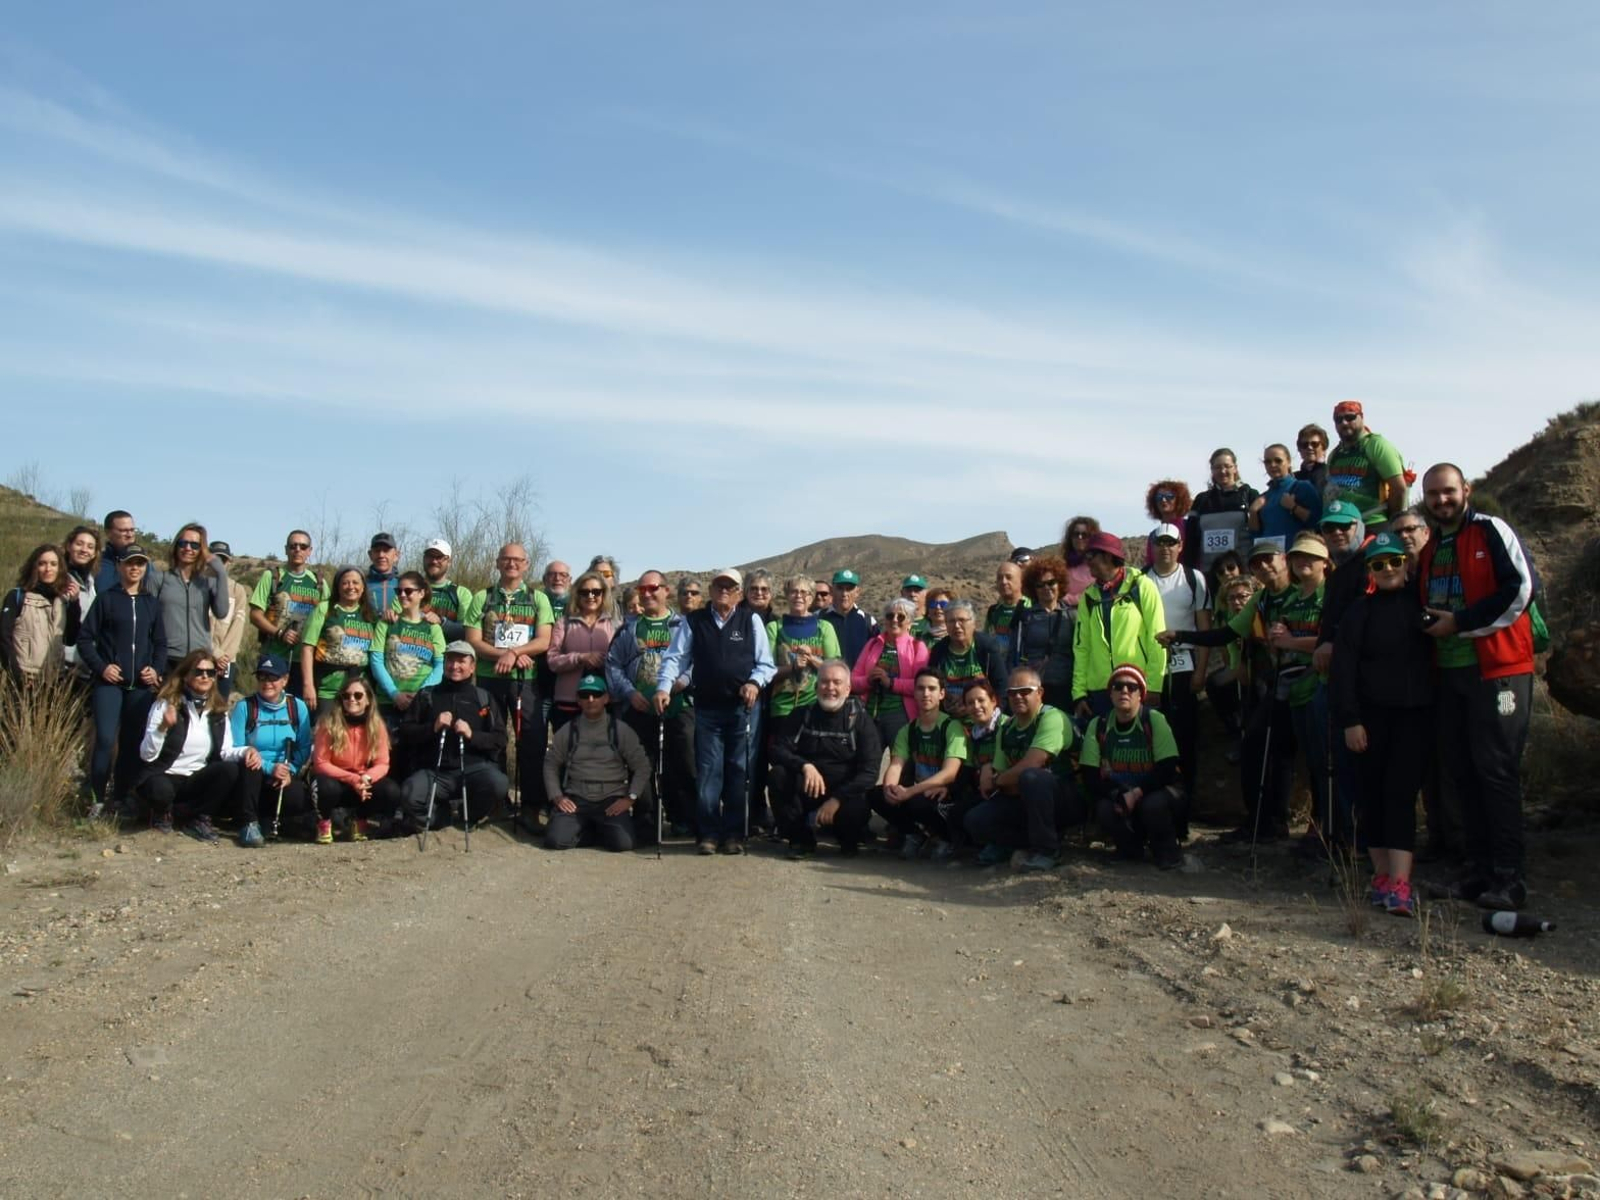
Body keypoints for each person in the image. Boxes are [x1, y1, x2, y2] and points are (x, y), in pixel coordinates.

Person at [1416, 464, 1537, 912]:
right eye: (1433, 494)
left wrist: (1462, 622)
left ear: (1466, 489)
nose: (1441, 500)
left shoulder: (1490, 530)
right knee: (1462, 771)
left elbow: (1522, 588)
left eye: (1448, 491)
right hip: (1450, 672)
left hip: (1498, 669)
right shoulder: (1432, 547)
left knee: (1497, 771)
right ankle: (1478, 870)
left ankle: (1510, 877)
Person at [1164, 540, 1306, 844]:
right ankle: (1263, 822)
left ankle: (1279, 823)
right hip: (1278, 684)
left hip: (1303, 681)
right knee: (1263, 749)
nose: (1264, 566)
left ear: (1283, 559)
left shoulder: (1300, 593)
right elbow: (1227, 633)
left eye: (1268, 559)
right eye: (1256, 563)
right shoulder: (1263, 599)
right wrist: (1180, 635)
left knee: (1278, 752)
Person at [1332, 533, 1434, 917]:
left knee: (1401, 796)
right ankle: (1381, 876)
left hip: (1414, 716)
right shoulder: (1359, 612)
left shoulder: (1422, 606)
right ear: (1370, 571)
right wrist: (1350, 720)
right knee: (1370, 795)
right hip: (1369, 719)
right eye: (1379, 564)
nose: (1388, 569)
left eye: (1394, 561)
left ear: (1406, 565)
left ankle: (1401, 882)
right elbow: (1343, 669)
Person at [654, 567, 776, 855]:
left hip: (742, 709)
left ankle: (734, 833)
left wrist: (754, 683)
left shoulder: (751, 620)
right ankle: (708, 832)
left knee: (738, 771)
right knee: (709, 771)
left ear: (739, 593)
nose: (724, 590)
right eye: (719, 586)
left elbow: (766, 664)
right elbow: (676, 658)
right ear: (710, 590)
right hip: (707, 709)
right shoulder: (695, 621)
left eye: (730, 587)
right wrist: (663, 687)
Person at [465, 543, 554, 819]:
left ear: (526, 564)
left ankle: (530, 806)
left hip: (525, 680)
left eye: (517, 560)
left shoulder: (538, 598)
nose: (511, 564)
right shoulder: (482, 597)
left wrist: (514, 653)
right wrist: (504, 655)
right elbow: (473, 640)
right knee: (491, 740)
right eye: (506, 559)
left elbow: (544, 640)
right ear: (497, 562)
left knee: (531, 742)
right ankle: (495, 801)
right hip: (489, 679)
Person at [77, 544, 166, 817]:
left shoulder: (152, 603)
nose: (135, 568)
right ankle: (97, 798)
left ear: (145, 568)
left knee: (132, 742)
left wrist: (155, 670)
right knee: (105, 739)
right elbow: (85, 640)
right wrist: (102, 667)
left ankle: (121, 797)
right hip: (109, 684)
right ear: (119, 566)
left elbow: (161, 644)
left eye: (140, 563)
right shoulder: (106, 599)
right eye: (129, 563)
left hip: (140, 687)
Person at [606, 569, 695, 840]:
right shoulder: (629, 628)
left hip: (678, 706)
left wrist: (682, 681)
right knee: (641, 765)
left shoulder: (684, 626)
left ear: (666, 590)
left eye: (653, 588)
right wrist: (629, 692)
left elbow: (698, 660)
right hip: (640, 706)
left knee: (683, 763)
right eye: (642, 589)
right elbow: (613, 664)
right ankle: (646, 821)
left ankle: (685, 819)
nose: (647, 594)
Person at [964, 667, 1081, 871]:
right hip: (1025, 796)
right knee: (975, 820)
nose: (1017, 696)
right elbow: (1000, 778)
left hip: (1066, 799)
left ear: (1040, 693)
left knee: (1032, 778)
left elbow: (1032, 764)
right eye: (1012, 692)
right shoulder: (1006, 729)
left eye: (1025, 691)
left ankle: (1048, 851)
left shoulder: (1051, 717)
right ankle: (1016, 844)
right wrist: (996, 776)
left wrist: (999, 779)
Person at [768, 659, 881, 859]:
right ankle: (800, 840)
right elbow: (777, 750)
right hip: (809, 789)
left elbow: (870, 772)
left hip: (844, 794)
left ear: (848, 689)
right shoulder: (802, 714)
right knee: (778, 775)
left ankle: (847, 839)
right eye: (825, 682)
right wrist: (804, 766)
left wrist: (837, 799)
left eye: (837, 682)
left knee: (857, 808)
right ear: (816, 686)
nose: (830, 688)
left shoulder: (861, 720)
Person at [1080, 664, 1186, 869]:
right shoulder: (1099, 725)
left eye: (1132, 687)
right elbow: (1090, 775)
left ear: (1141, 694)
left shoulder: (1154, 720)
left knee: (1152, 805)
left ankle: (1167, 850)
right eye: (1118, 686)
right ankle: (1129, 848)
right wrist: (1117, 794)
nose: (1125, 691)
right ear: (1110, 694)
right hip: (1121, 792)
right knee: (1104, 808)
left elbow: (1167, 767)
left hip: (1156, 791)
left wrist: (1136, 793)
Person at [135, 649, 247, 842]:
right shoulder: (166, 704)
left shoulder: (218, 712)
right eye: (198, 672)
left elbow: (225, 751)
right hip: (166, 774)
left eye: (210, 672)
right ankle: (162, 813)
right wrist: (162, 727)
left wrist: (247, 751)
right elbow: (146, 755)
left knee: (229, 771)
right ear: (186, 676)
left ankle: (198, 818)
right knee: (160, 789)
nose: (205, 677)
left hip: (195, 777)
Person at [399, 641, 509, 835]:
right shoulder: (427, 695)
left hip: (474, 770)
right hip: (435, 771)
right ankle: (441, 817)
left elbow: (500, 739)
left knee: (498, 783)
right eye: (450, 660)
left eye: (461, 661)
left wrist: (472, 735)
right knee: (409, 794)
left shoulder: (483, 698)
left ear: (472, 666)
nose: (455, 666)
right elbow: (406, 732)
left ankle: (471, 815)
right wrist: (432, 728)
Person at [543, 673, 651, 851]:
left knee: (623, 844)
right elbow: (550, 763)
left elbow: (642, 766)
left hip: (610, 800)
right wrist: (557, 797)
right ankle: (593, 832)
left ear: (606, 698)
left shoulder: (621, 730)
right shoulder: (568, 731)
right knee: (555, 841)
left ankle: (599, 830)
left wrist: (630, 799)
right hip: (577, 799)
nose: (590, 700)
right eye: (584, 695)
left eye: (596, 694)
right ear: (578, 700)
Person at [1071, 532, 1167, 722]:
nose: (1087, 562)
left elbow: (1157, 638)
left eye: (1090, 556)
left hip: (1135, 685)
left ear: (1107, 556)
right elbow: (1082, 647)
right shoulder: (1088, 597)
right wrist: (1079, 693)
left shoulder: (1142, 586)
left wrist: (1154, 685)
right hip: (1099, 690)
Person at [1145, 524, 1211, 790]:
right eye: (1160, 542)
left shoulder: (1194, 578)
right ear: (1152, 546)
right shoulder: (1141, 579)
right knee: (1152, 734)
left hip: (1185, 663)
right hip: (1151, 668)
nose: (1165, 548)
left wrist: (1201, 671)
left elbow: (1204, 628)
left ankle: (1186, 797)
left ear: (1180, 546)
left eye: (1170, 542)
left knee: (1185, 735)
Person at [875, 669, 967, 861]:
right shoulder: (908, 730)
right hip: (919, 792)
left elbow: (950, 773)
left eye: (932, 689)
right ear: (914, 693)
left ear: (941, 694)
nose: (926, 693)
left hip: (946, 794)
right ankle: (915, 834)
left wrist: (909, 792)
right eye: (920, 688)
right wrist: (890, 789)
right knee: (876, 796)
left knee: (917, 802)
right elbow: (896, 765)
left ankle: (946, 839)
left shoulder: (952, 727)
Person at [230, 654, 315, 847]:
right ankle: (249, 823)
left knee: (296, 798)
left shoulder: (297, 707)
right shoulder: (245, 707)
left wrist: (289, 770)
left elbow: (304, 746)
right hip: (254, 773)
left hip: (283, 771)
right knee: (251, 761)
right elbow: (236, 747)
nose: (266, 682)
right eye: (262, 677)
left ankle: (271, 820)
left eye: (273, 677)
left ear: (285, 680)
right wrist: (269, 767)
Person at [370, 571, 447, 766]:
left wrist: (420, 695)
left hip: (420, 705)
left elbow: (440, 665)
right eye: (399, 591)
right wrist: (394, 694)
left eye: (408, 591)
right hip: (389, 702)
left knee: (416, 761)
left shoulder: (432, 627)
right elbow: (376, 661)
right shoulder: (386, 623)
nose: (402, 595)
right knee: (387, 762)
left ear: (421, 593)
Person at [310, 676, 400, 842]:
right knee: (326, 787)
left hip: (361, 779)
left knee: (390, 791)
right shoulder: (328, 723)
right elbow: (320, 763)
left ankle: (359, 819)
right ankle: (324, 822)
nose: (352, 699)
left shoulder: (377, 725)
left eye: (358, 695)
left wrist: (367, 777)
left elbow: (382, 763)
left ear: (368, 700)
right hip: (335, 779)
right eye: (346, 695)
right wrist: (352, 779)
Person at [249, 530, 328, 700]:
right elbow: (255, 615)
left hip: (306, 661)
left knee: (300, 708)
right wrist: (280, 633)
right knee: (272, 704)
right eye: (293, 546)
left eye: (303, 546)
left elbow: (329, 616)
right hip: (275, 656)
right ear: (286, 549)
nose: (297, 550)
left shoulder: (319, 582)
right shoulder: (272, 577)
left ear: (310, 551)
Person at [766, 576, 842, 741]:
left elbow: (835, 669)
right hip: (782, 709)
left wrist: (812, 659)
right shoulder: (774, 628)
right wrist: (792, 667)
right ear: (787, 595)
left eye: (804, 592)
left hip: (816, 706)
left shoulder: (824, 628)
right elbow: (767, 671)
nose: (798, 596)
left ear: (811, 597)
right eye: (793, 591)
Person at [300, 567, 384, 717]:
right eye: (345, 583)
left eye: (355, 583)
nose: (351, 587)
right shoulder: (325, 609)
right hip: (328, 689)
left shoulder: (370, 614)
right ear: (337, 587)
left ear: (363, 587)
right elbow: (307, 648)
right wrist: (308, 685)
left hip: (359, 693)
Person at [850, 597, 930, 750]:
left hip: (901, 715)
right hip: (871, 713)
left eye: (901, 617)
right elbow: (853, 681)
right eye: (890, 616)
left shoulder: (917, 647)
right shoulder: (872, 644)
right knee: (868, 760)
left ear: (910, 622)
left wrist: (891, 683)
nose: (894, 620)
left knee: (901, 761)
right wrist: (868, 680)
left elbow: (921, 685)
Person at [151, 522, 230, 671]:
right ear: (176, 546)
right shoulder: (158, 579)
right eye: (183, 543)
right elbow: (147, 621)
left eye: (195, 545)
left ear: (202, 550)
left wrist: (220, 571)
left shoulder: (208, 582)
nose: (188, 548)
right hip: (167, 658)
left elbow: (221, 612)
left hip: (199, 660)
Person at [547, 570, 618, 730]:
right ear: (576, 595)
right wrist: (580, 658)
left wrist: (604, 660)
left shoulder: (614, 624)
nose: (590, 596)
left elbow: (621, 661)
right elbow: (552, 661)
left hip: (604, 700)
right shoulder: (563, 623)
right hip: (569, 701)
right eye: (584, 592)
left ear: (603, 594)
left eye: (596, 592)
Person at [1325, 400, 1408, 531]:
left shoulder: (1376, 445)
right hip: (1340, 525)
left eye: (1350, 417)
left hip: (1372, 522)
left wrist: (1393, 523)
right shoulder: (1335, 454)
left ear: (1361, 417)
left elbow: (1399, 488)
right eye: (1338, 420)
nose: (1344, 423)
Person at [2, 544, 71, 685]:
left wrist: (75, 604)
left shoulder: (63, 601)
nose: (48, 569)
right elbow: (3, 637)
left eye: (53, 564)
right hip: (26, 678)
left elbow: (71, 638)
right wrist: (17, 676)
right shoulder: (17, 596)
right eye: (42, 564)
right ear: (34, 567)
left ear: (60, 568)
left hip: (55, 680)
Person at [1012, 556, 1075, 709]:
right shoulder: (1025, 617)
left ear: (1059, 583)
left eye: (1051, 582)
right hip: (1034, 689)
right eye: (1040, 585)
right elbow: (1014, 655)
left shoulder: (1073, 616)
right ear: (1033, 589)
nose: (1046, 588)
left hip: (1066, 687)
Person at [926, 600, 1006, 716]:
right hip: (948, 715)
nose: (956, 626)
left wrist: (995, 715)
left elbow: (1001, 686)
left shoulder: (987, 647)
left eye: (962, 620)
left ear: (973, 623)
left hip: (982, 714)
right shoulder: (939, 650)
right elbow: (932, 686)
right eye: (951, 621)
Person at [1185, 449, 1259, 571]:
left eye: (1227, 466)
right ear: (1212, 470)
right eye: (1217, 467)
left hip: (1242, 572)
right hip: (1209, 572)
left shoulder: (1250, 495)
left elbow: (1258, 534)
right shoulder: (1202, 500)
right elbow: (1191, 541)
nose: (1223, 471)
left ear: (1235, 468)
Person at [206, 540, 251, 700]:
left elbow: (237, 628)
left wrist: (223, 657)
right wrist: (214, 652)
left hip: (226, 661)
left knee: (219, 704)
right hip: (201, 656)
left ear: (229, 563)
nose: (219, 564)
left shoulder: (237, 590)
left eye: (223, 560)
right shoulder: (197, 587)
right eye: (215, 559)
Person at [1249, 444, 1321, 542]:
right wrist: (1253, 512)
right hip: (1269, 550)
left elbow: (1318, 523)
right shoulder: (1264, 497)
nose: (1272, 465)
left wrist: (1294, 507)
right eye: (1268, 462)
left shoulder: (1301, 487)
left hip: (1295, 549)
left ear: (1288, 462)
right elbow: (1254, 536)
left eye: (1278, 461)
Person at [60, 525, 100, 681]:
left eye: (90, 547)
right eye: (79, 544)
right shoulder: (59, 578)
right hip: (61, 665)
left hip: (83, 666)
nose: (84, 550)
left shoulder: (90, 581)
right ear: (69, 546)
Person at [419, 539, 474, 642]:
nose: (434, 561)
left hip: (449, 651)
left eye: (439, 557)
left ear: (449, 562)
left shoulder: (462, 593)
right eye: (430, 556)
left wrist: (442, 622)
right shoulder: (408, 590)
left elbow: (467, 631)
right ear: (424, 559)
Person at [823, 569, 877, 668]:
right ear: (832, 590)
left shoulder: (868, 621)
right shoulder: (819, 618)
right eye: (840, 588)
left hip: (859, 677)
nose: (844, 594)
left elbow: (877, 654)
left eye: (849, 589)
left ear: (857, 592)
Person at [1058, 516, 1103, 607]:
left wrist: (1069, 599)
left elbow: (1100, 591)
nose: (1080, 537)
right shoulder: (1061, 566)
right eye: (1076, 534)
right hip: (1066, 612)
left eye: (1085, 535)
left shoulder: (1100, 565)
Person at [94, 509, 139, 594]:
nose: (129, 535)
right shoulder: (97, 562)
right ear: (108, 533)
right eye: (123, 531)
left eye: (132, 530)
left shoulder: (144, 564)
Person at [984, 561, 1030, 640]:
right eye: (999, 578)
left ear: (1021, 581)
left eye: (1009, 577)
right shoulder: (993, 611)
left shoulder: (1032, 608)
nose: (1003, 582)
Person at [365, 532, 402, 615]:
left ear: (396, 555)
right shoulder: (361, 584)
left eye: (386, 550)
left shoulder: (405, 585)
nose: (381, 555)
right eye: (377, 551)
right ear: (370, 555)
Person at [1295, 424, 1330, 496]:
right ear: (1299, 449)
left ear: (1324, 448)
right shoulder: (1293, 479)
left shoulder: (1332, 475)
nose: (1309, 447)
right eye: (1305, 445)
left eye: (1314, 444)